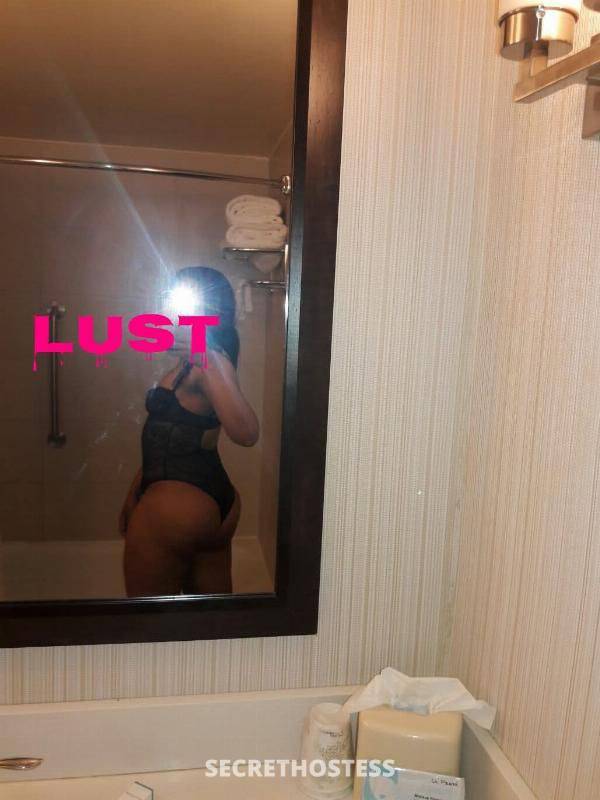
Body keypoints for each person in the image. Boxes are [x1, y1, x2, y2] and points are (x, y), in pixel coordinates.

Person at [120, 266, 259, 596]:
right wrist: (136, 489)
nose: (168, 307)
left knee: (150, 620)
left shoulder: (209, 361)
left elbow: (247, 433)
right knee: (211, 617)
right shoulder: (196, 360)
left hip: (175, 510)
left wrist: (206, 357)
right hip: (210, 500)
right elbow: (169, 437)